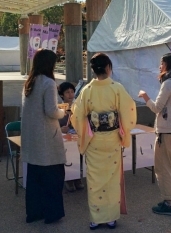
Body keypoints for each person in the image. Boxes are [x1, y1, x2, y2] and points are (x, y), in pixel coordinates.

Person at [70, 53, 136, 230]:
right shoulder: (117, 88)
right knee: (112, 179)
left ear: (93, 70)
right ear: (108, 68)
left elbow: (76, 115)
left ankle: (96, 218)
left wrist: (87, 129)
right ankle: (110, 218)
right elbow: (129, 112)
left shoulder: (87, 90)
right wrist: (124, 131)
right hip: (113, 138)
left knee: (95, 180)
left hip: (94, 140)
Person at [138, 53, 171, 216]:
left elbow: (157, 108)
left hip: (166, 132)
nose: (160, 66)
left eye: (162, 63)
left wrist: (145, 96)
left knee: (163, 168)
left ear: (168, 65)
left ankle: (169, 203)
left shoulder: (168, 83)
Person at [21, 49, 66, 224]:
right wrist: (63, 111)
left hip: (32, 137)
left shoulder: (29, 83)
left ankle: (34, 212)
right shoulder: (48, 83)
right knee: (53, 179)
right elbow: (51, 111)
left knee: (34, 180)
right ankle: (52, 214)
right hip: (47, 138)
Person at [57, 82, 84, 192]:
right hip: (63, 138)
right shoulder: (58, 108)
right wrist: (60, 129)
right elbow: (52, 124)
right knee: (68, 152)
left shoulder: (78, 106)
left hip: (76, 136)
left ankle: (77, 177)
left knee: (79, 151)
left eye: (72, 92)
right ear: (62, 94)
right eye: (67, 92)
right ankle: (69, 178)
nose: (70, 94)